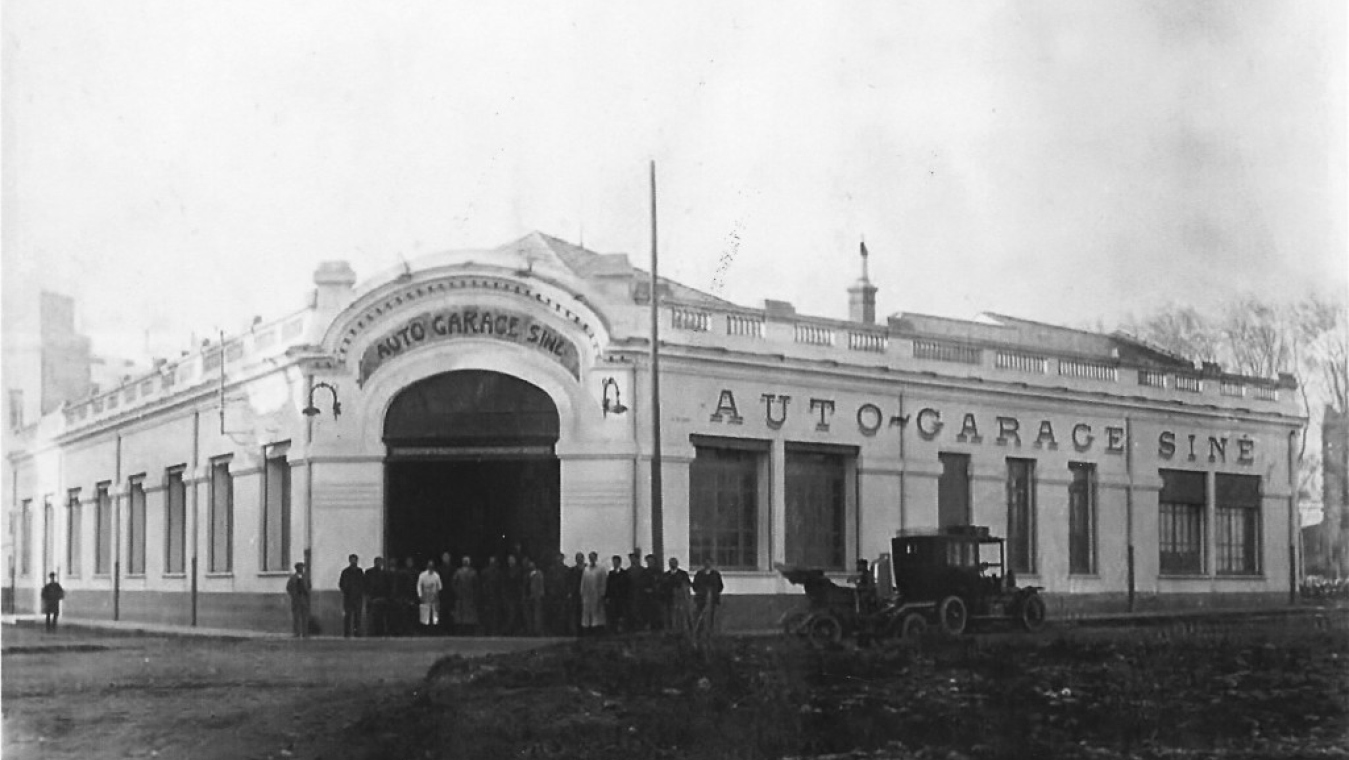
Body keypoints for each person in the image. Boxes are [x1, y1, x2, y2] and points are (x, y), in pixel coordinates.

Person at [693, 557, 724, 639]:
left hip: (712, 599)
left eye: (709, 562)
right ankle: (700, 631)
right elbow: (695, 586)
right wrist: (702, 591)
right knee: (700, 615)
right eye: (706, 562)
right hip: (701, 599)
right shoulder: (699, 574)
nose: (707, 564)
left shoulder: (715, 574)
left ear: (711, 564)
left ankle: (710, 631)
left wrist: (714, 592)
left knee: (711, 615)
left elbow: (720, 586)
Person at [580, 551, 608, 635]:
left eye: (593, 557)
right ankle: (586, 628)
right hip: (587, 594)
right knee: (586, 611)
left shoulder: (601, 569)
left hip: (597, 593)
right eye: (590, 557)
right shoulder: (586, 569)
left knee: (596, 612)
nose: (591, 559)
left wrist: (602, 593)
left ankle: (596, 628)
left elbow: (603, 582)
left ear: (596, 558)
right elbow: (583, 581)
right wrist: (582, 592)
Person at [664, 557, 694, 635]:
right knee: (671, 616)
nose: (672, 564)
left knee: (682, 617)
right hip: (669, 599)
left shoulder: (683, 574)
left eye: (674, 563)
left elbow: (688, 584)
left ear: (677, 564)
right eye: (671, 563)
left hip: (681, 600)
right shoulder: (666, 575)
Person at [451, 556, 479, 636]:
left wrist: (474, 594)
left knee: (470, 616)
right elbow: (453, 583)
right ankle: (461, 631)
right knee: (460, 616)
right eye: (465, 561)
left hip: (470, 597)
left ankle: (469, 631)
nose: (466, 562)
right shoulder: (458, 572)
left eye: (467, 561)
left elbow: (476, 585)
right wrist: (458, 592)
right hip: (461, 597)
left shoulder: (473, 572)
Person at [544, 552, 571, 635]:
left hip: (563, 594)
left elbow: (569, 582)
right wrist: (550, 590)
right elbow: (548, 581)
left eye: (561, 558)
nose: (559, 559)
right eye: (558, 558)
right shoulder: (551, 569)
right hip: (554, 595)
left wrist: (568, 592)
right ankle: (554, 630)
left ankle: (562, 630)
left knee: (563, 613)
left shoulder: (566, 569)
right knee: (554, 613)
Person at [339, 554, 365, 638]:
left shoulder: (360, 572)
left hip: (358, 598)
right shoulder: (345, 572)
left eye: (355, 560)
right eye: (352, 560)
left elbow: (363, 583)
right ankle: (347, 633)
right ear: (349, 561)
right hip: (348, 597)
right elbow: (341, 583)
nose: (353, 561)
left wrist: (360, 592)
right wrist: (346, 591)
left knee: (358, 616)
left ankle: (357, 633)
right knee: (348, 616)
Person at [364, 557, 390, 637]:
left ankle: (380, 633)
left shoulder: (384, 573)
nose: (379, 564)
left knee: (381, 617)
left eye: (381, 562)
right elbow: (365, 585)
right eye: (378, 562)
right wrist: (368, 596)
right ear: (375, 562)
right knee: (372, 617)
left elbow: (387, 586)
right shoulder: (369, 572)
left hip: (381, 599)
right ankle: (372, 633)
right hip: (372, 598)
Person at [604, 554, 629, 633]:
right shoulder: (611, 574)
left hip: (621, 597)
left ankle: (621, 629)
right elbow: (608, 586)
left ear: (619, 563)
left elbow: (627, 586)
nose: (615, 564)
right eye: (613, 562)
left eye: (616, 562)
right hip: (613, 597)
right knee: (613, 614)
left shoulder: (624, 573)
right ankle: (613, 629)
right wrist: (607, 597)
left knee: (621, 614)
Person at [479, 556, 503, 636]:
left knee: (492, 615)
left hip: (492, 596)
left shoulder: (497, 572)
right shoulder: (487, 572)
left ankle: (491, 630)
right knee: (490, 615)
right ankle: (490, 630)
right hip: (489, 596)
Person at [417, 559, 443, 632]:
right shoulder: (422, 575)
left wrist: (437, 596)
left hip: (434, 597)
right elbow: (419, 586)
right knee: (425, 615)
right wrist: (420, 595)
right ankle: (425, 630)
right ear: (427, 566)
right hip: (425, 596)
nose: (430, 567)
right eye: (429, 566)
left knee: (435, 615)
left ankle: (434, 630)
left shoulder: (436, 576)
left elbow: (440, 587)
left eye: (432, 566)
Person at [502, 554, 525, 636]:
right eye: (509, 559)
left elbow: (520, 583)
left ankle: (512, 630)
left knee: (515, 613)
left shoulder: (518, 570)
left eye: (512, 559)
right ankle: (510, 630)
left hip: (516, 595)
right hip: (509, 595)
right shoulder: (506, 571)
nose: (510, 561)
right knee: (511, 612)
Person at [286, 562, 310, 638]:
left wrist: (307, 593)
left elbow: (309, 585)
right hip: (296, 600)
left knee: (305, 617)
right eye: (299, 567)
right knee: (296, 617)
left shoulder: (306, 577)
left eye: (302, 567)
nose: (301, 569)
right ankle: (297, 633)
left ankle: (305, 633)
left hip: (304, 599)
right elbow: (289, 588)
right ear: (296, 568)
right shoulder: (293, 578)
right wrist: (293, 594)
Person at [626, 551, 647, 632]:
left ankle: (641, 625)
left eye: (634, 558)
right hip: (631, 593)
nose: (632, 560)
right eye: (631, 559)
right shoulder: (628, 571)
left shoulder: (643, 570)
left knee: (640, 609)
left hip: (640, 593)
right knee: (632, 609)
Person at [643, 554, 664, 631]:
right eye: (648, 561)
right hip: (646, 597)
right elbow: (642, 583)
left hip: (656, 596)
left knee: (657, 613)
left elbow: (661, 583)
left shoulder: (658, 572)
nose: (649, 563)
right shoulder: (644, 572)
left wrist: (654, 589)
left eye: (651, 561)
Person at [524, 558, 545, 636]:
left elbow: (541, 584)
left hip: (537, 597)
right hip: (529, 596)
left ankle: (537, 631)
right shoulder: (527, 574)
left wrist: (541, 593)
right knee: (529, 615)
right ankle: (530, 630)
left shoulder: (539, 573)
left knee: (537, 614)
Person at [567, 552, 586, 636]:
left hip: (586, 593)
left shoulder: (587, 569)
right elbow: (570, 582)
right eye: (577, 558)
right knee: (576, 612)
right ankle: (577, 630)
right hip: (576, 594)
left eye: (580, 558)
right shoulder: (572, 570)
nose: (579, 559)